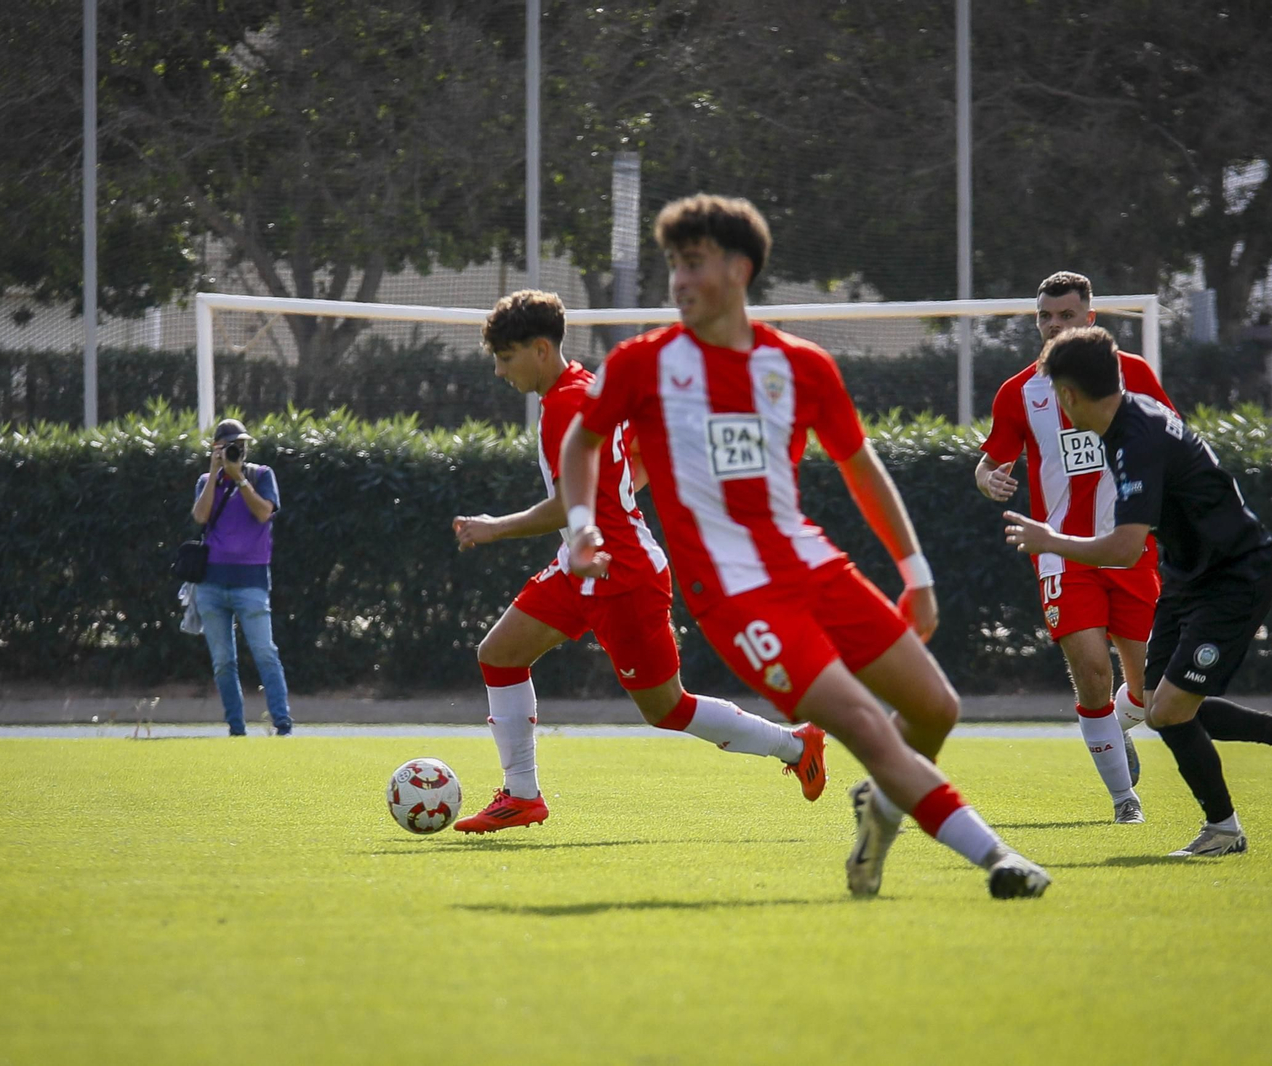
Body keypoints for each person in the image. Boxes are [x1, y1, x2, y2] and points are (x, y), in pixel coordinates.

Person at [559, 194, 1050, 898]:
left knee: (937, 710)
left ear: (739, 269)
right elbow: (582, 441)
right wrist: (582, 527)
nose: (679, 281)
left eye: (692, 263)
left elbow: (861, 468)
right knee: (864, 727)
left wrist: (915, 572)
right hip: (733, 596)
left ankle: (878, 823)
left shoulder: (802, 367)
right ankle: (999, 859)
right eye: (672, 265)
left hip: (814, 567)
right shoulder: (644, 363)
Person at [450, 289, 828, 834]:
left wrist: (495, 527)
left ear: (539, 349)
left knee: (667, 709)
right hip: (584, 562)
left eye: (505, 358)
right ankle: (522, 795)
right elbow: (638, 461)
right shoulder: (585, 390)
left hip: (621, 574)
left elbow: (568, 501)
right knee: (500, 655)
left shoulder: (566, 404)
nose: (498, 371)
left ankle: (794, 744)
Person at [1003, 326, 1272, 857]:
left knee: (1171, 711)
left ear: (1069, 395)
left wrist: (1049, 540)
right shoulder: (1124, 424)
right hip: (1189, 576)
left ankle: (1224, 831)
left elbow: (1127, 548)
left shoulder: (1137, 437)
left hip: (1233, 576)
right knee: (1157, 705)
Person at [975, 271, 1174, 825]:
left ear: (1091, 318)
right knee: (1090, 671)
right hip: (1059, 548)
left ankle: (1115, 726)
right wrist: (988, 479)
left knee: (1150, 695)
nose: (1055, 325)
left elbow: (1172, 439)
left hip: (1129, 546)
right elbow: (990, 462)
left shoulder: (1132, 374)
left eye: (1066, 315)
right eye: (1046, 316)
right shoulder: (1019, 391)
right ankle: (1123, 802)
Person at [190, 418, 293, 737]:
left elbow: (264, 513)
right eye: (231, 445)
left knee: (265, 652)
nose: (239, 449)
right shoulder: (207, 480)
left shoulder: (261, 475)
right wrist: (215, 473)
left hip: (251, 581)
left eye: (242, 444)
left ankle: (282, 723)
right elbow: (200, 516)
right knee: (223, 660)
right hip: (211, 582)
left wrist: (239, 480)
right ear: (216, 448)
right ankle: (236, 727)